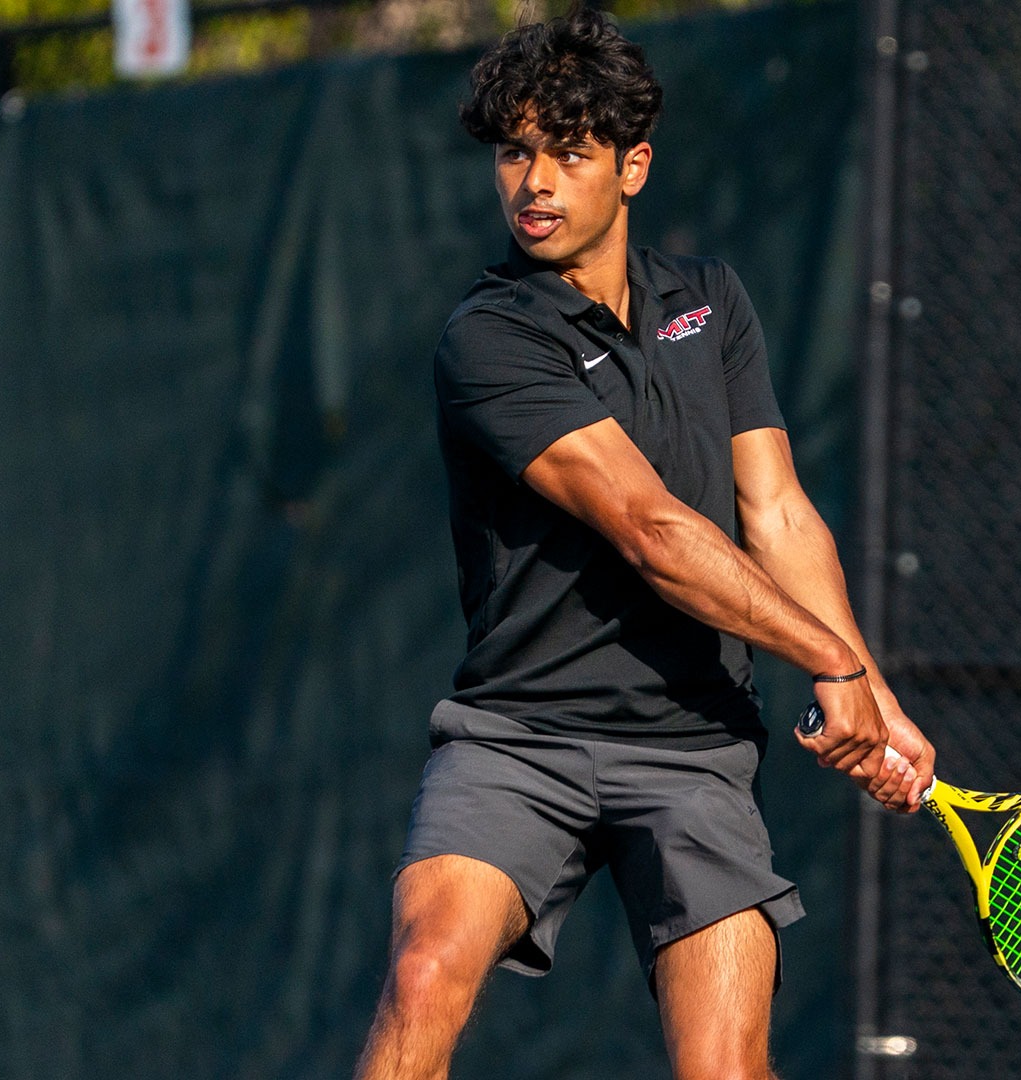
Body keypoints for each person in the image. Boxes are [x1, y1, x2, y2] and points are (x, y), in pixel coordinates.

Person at [355, 9, 937, 1079]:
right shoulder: (489, 336)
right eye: (515, 152)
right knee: (424, 977)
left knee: (727, 1067)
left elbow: (779, 514)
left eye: (568, 154)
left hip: (695, 752)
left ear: (633, 167)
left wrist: (876, 692)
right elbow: (653, 529)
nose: (534, 180)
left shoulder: (711, 305)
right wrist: (830, 664)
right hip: (516, 740)